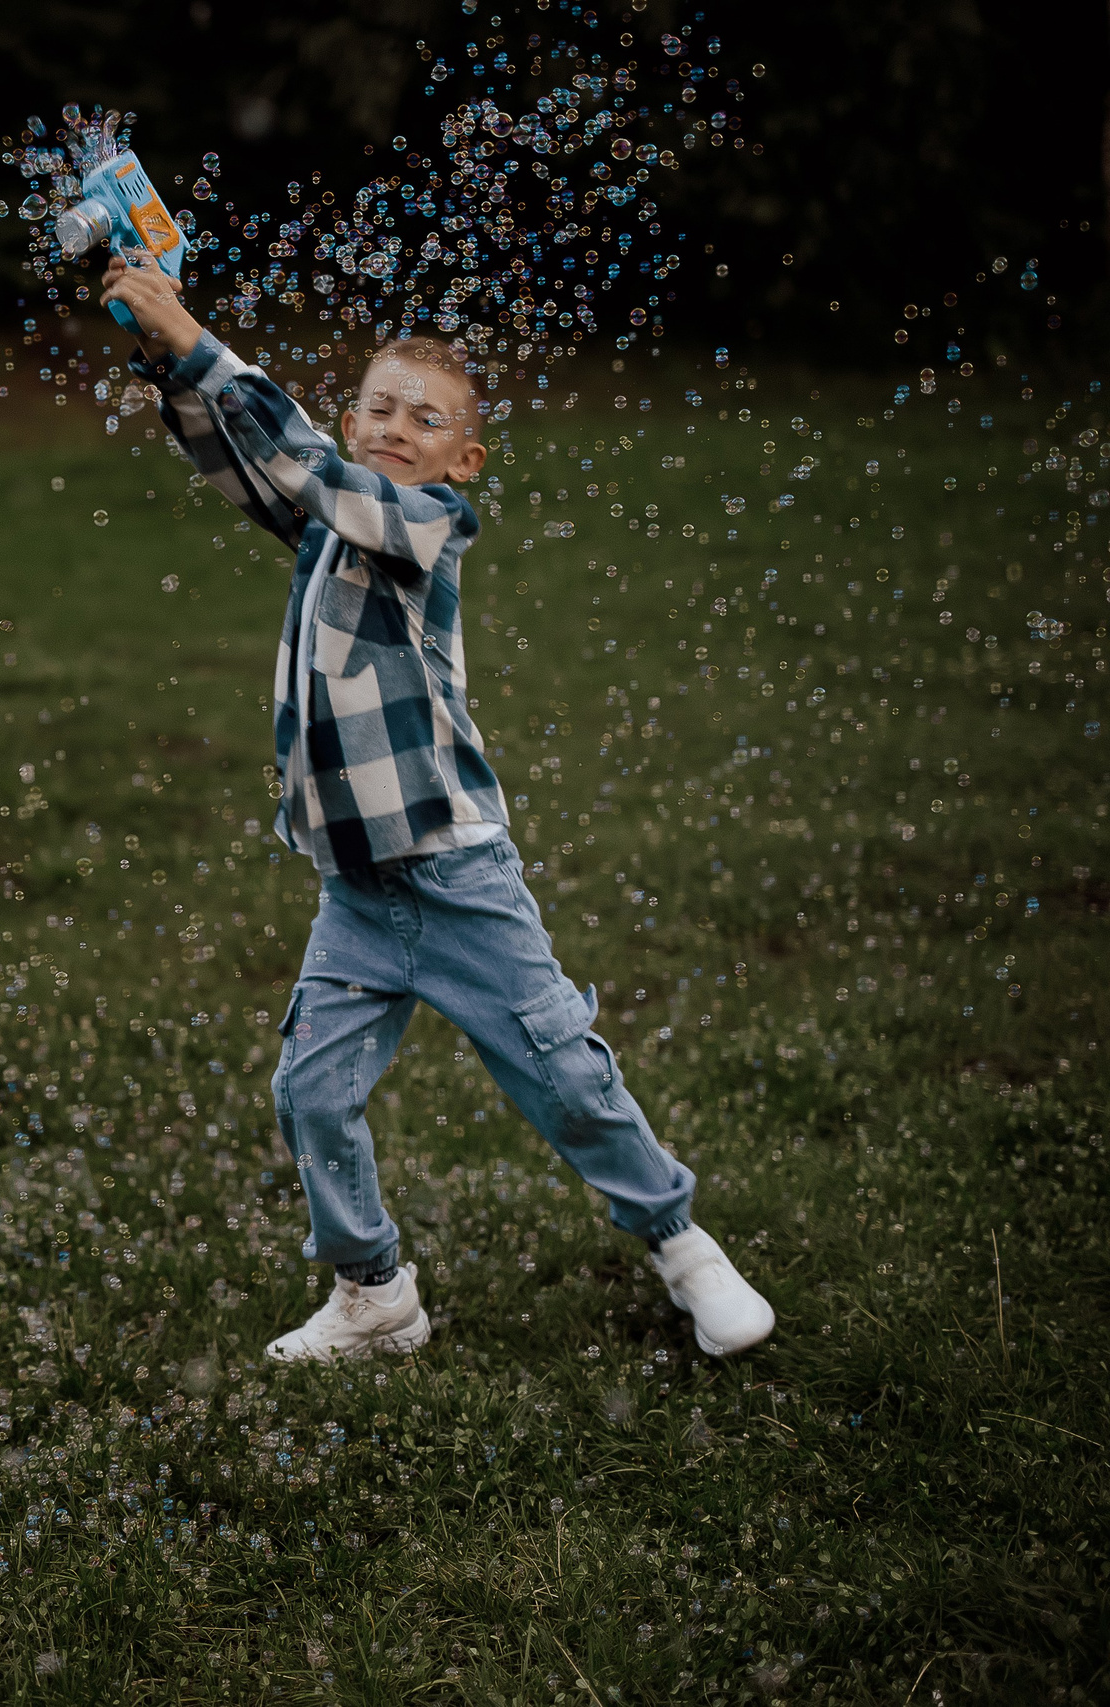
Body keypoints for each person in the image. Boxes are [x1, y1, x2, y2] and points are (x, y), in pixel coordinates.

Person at [99, 257, 773, 1364]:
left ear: (462, 460)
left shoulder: (423, 528)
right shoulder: (327, 522)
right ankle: (374, 1295)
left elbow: (308, 467)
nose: (393, 427)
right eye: (376, 407)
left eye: (425, 419)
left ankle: (680, 1242)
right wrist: (171, 356)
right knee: (310, 1095)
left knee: (563, 1076)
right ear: (349, 416)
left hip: (456, 877)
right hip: (358, 893)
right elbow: (245, 461)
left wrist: (201, 335)